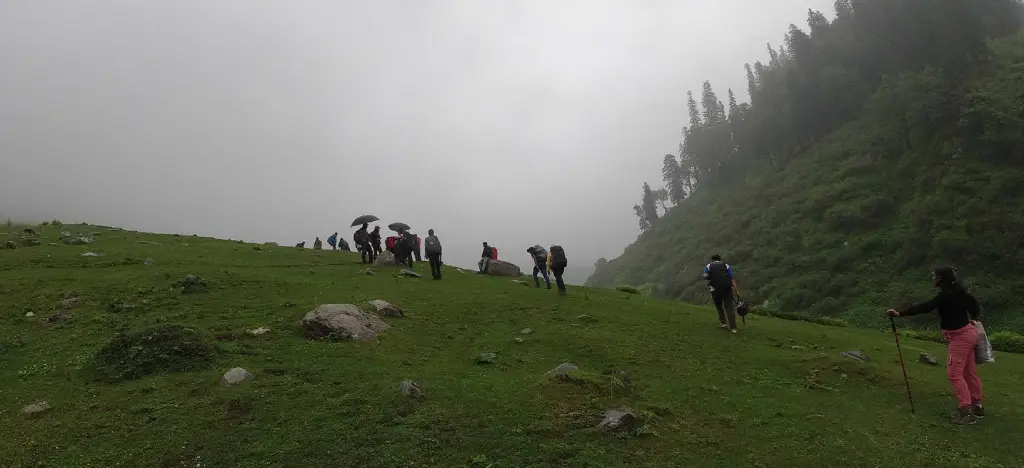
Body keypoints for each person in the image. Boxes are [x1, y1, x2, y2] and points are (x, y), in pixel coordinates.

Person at [887, 267, 983, 425]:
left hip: (960, 338)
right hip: (969, 333)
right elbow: (975, 308)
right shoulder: (961, 293)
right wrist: (972, 319)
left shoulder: (945, 296)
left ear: (940, 279)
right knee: (969, 372)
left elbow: (926, 307)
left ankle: (966, 411)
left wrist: (900, 313)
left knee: (954, 374)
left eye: (934, 276)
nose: (932, 278)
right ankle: (977, 406)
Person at [703, 254, 739, 333]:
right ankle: (733, 328)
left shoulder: (708, 266)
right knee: (729, 307)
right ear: (720, 259)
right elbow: (732, 278)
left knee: (719, 306)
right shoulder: (726, 266)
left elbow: (705, 276)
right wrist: (736, 290)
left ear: (712, 260)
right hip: (727, 289)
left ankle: (723, 323)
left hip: (715, 290)